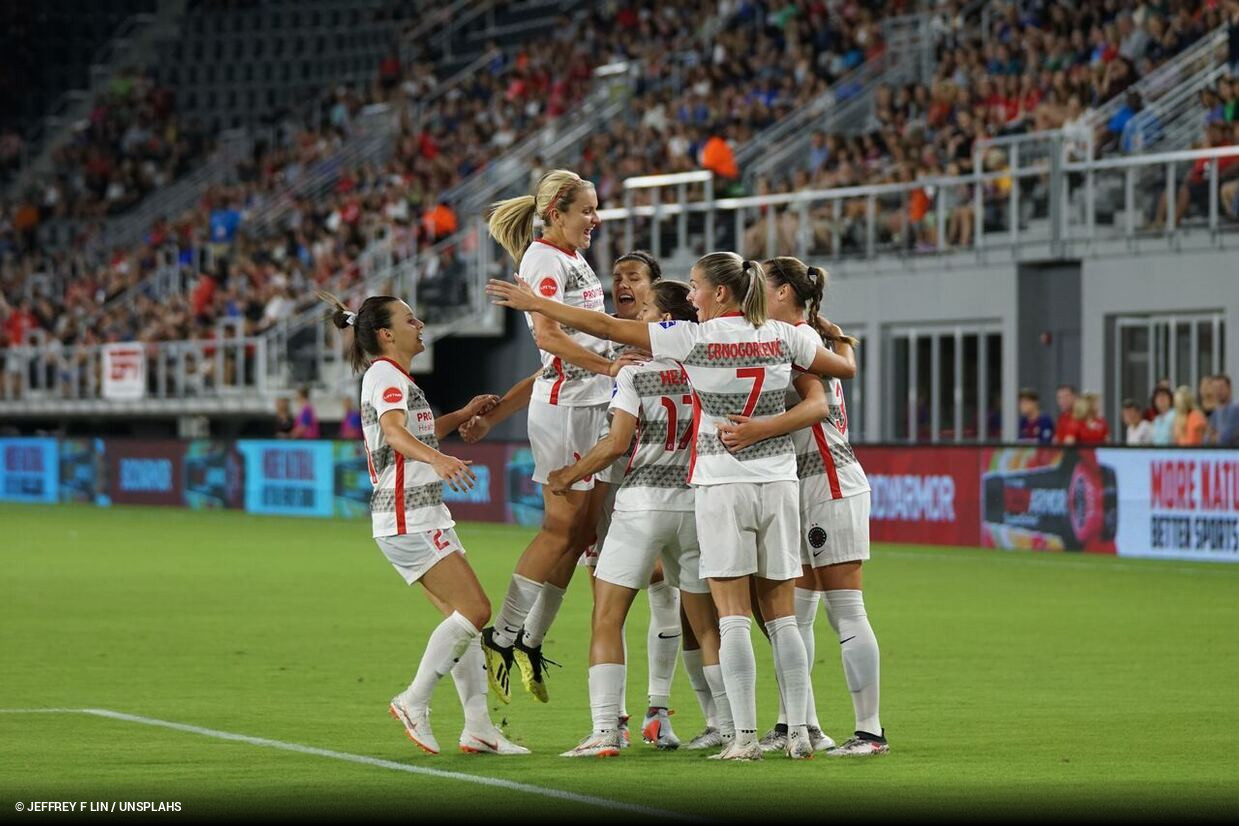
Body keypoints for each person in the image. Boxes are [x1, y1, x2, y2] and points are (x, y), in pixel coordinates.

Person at [487, 251, 858, 760]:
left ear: (720, 293)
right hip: (773, 485)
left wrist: (536, 304)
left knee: (709, 619)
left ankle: (728, 736)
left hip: (705, 490)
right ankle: (796, 732)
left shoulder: (690, 343)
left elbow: (604, 330)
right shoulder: (784, 336)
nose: (691, 296)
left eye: (697, 287)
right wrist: (830, 334)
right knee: (779, 618)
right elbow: (842, 370)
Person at [318, 290, 525, 756]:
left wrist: (463, 414)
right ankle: (414, 700)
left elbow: (413, 431)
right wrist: (441, 459)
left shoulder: (394, 377)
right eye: (410, 320)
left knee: (462, 623)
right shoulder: (385, 375)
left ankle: (478, 729)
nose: (421, 325)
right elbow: (394, 434)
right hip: (408, 515)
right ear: (387, 334)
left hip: (413, 514)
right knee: (476, 611)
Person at [718, 257, 885, 757]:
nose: (751, 291)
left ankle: (870, 732)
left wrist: (755, 431)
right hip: (799, 483)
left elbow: (818, 402)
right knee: (799, 616)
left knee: (846, 610)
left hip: (828, 482)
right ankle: (801, 723)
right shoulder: (800, 337)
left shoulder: (799, 344)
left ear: (786, 293)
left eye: (761, 284)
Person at [545, 282, 719, 757]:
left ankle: (604, 731)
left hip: (642, 504)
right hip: (695, 505)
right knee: (705, 624)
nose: (637, 315)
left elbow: (617, 443)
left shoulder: (633, 374)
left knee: (607, 614)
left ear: (664, 321)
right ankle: (726, 723)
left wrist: (570, 473)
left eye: (645, 309)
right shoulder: (706, 367)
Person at [479, 169, 628, 706]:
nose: (596, 218)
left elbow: (581, 328)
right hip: (566, 409)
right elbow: (547, 334)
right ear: (556, 213)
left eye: (596, 208)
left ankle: (530, 640)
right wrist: (608, 367)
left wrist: (615, 353)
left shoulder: (571, 257)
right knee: (560, 529)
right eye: (587, 209)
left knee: (582, 532)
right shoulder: (543, 259)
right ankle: (503, 632)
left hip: (588, 404)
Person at [1209, 375, 1239, 446]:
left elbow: (1226, 437)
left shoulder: (1235, 409)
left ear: (1229, 388)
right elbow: (1206, 439)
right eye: (1215, 388)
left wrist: (1215, 438)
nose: (1218, 391)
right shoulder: (1215, 413)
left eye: (1221, 387)